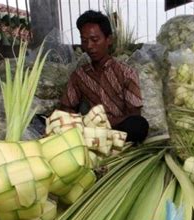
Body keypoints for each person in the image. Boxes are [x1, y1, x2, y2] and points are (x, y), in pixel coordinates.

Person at [60, 10, 149, 143]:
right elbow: (66, 107)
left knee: (138, 125)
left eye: (95, 40)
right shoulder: (79, 75)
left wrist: (107, 124)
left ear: (109, 40)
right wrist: (76, 122)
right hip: (91, 132)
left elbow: (134, 114)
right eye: (84, 41)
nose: (89, 46)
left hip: (119, 129)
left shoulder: (126, 73)